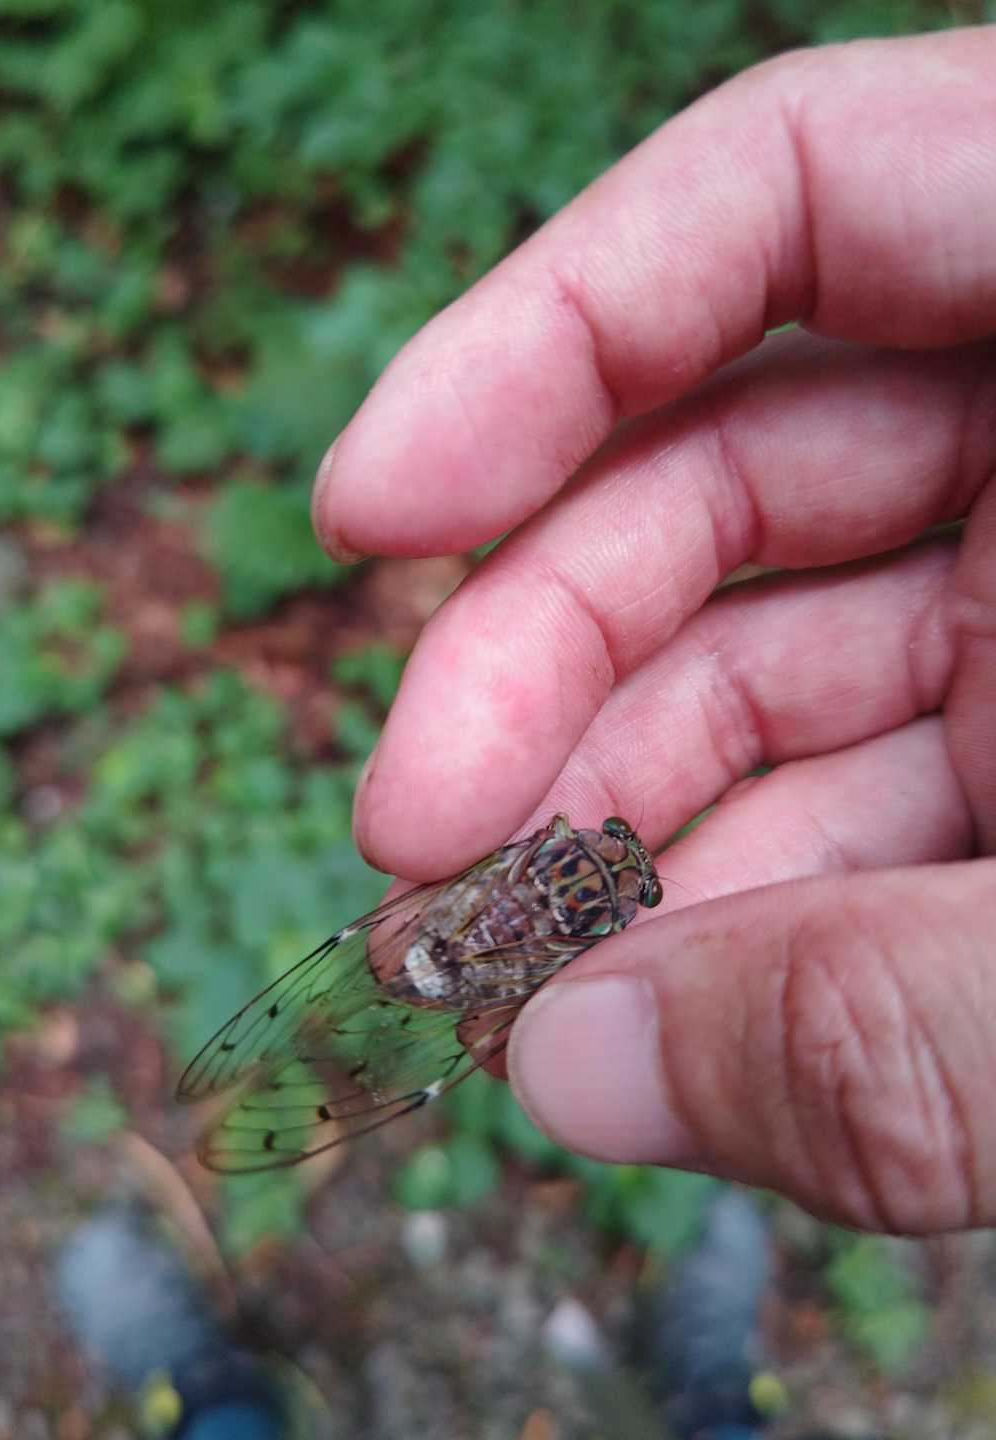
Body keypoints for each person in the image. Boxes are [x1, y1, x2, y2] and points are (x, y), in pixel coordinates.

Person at [310, 26, 996, 1237]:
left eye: (603, 870)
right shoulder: (578, 881)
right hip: (465, 943)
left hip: (466, 940)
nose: (603, 861)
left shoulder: (556, 862)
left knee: (438, 927)